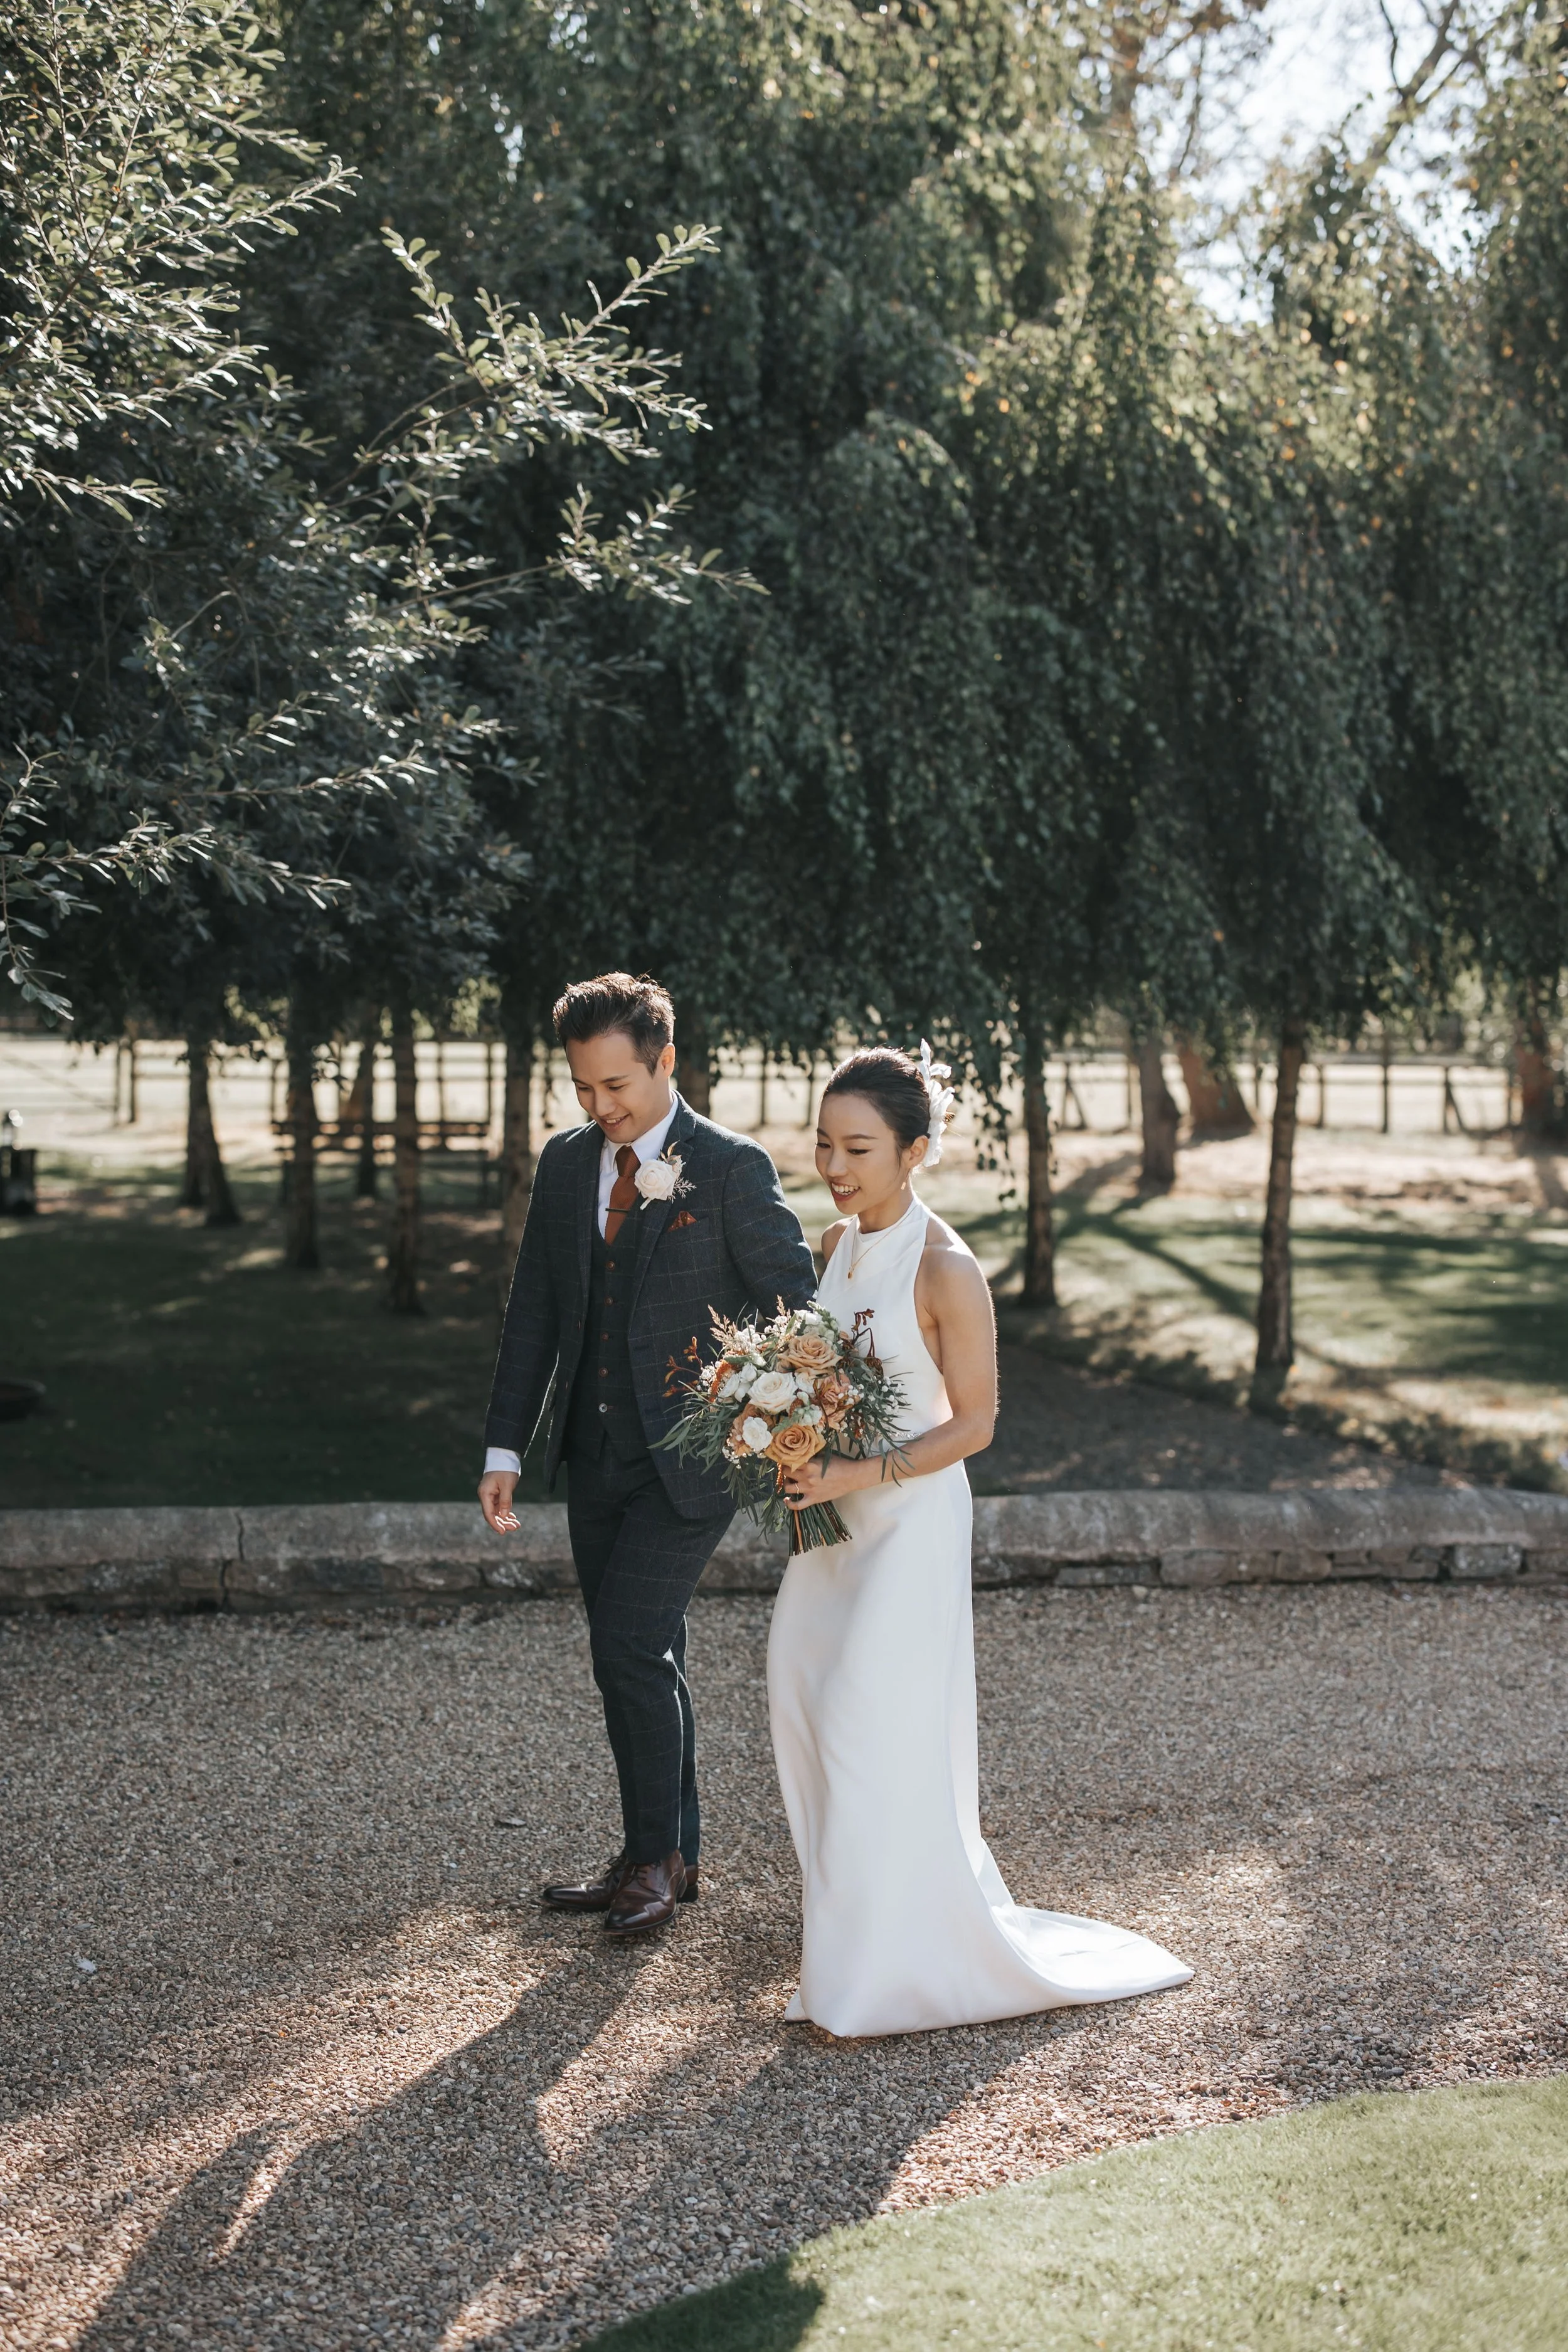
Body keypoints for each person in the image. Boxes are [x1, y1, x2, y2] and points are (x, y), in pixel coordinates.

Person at [768, 1045, 1194, 2036]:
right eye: (825, 1142)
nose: (836, 1163)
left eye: (859, 1147)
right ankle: (850, 1947)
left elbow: (976, 1425)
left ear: (915, 1150)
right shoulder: (835, 1245)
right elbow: (827, 1379)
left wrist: (856, 1472)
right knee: (804, 1705)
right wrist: (788, 1440)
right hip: (830, 1528)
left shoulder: (947, 1267)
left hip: (910, 1525)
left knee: (866, 1727)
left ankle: (890, 1972)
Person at [479, 973, 815, 1937]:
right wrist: (507, 1442)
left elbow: (795, 1309)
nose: (601, 1107)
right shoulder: (562, 1165)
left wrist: (756, 1411)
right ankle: (664, 1852)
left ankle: (654, 1858)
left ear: (668, 1060)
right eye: (584, 1088)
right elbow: (534, 1315)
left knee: (624, 1645)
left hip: (692, 1467)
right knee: (645, 1651)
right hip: (594, 1458)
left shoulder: (733, 1167)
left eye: (619, 1085)